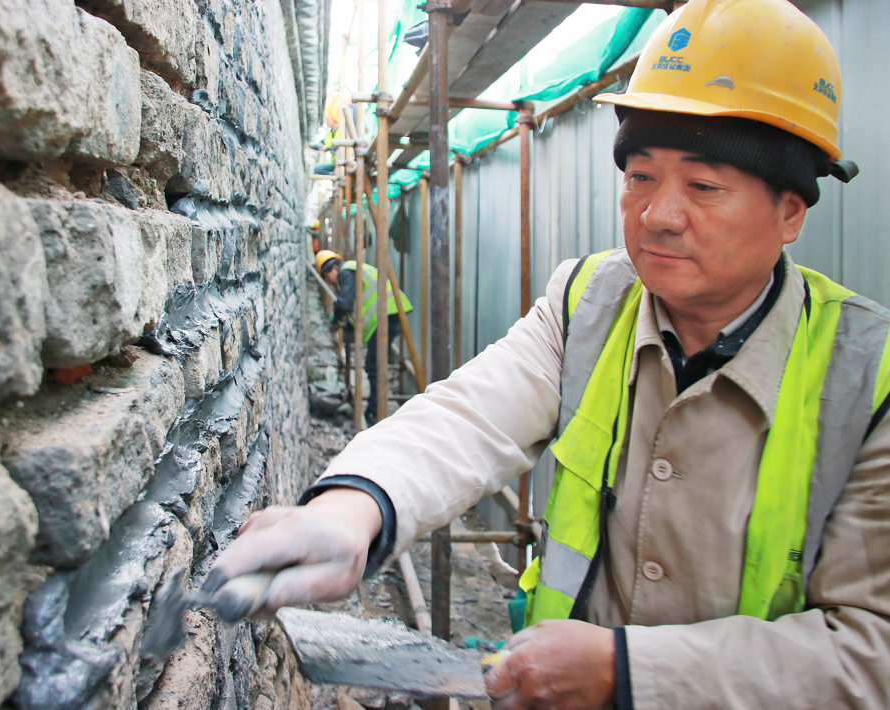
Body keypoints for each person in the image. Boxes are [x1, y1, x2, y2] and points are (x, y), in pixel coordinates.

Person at [213, 1, 890, 708]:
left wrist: (624, 671)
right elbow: (468, 418)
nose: (657, 214)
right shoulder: (589, 302)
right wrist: (351, 509)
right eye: (639, 176)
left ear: (790, 211)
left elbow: (868, 653)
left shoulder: (864, 379)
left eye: (703, 186)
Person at [315, 249, 413, 427]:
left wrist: (335, 319)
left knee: (373, 367)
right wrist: (350, 325)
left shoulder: (346, 272)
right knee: (375, 364)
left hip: (387, 314)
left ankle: (374, 414)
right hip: (389, 314)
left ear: (334, 268)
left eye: (327, 276)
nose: (328, 282)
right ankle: (375, 410)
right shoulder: (352, 272)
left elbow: (344, 304)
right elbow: (358, 305)